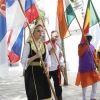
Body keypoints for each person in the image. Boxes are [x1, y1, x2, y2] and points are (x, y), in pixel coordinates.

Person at [21, 24, 52, 100]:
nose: (40, 33)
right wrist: (35, 56)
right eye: (38, 31)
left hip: (42, 73)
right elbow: (23, 61)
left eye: (42, 31)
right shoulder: (28, 45)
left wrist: (47, 68)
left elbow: (48, 59)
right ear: (32, 32)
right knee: (35, 95)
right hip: (32, 75)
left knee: (46, 94)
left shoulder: (44, 45)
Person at [75, 33, 100, 100]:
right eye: (87, 37)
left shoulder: (92, 46)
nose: (89, 39)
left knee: (95, 81)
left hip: (91, 67)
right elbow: (80, 54)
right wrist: (86, 45)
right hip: (84, 68)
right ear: (85, 38)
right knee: (84, 83)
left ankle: (93, 97)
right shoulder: (80, 45)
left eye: (90, 37)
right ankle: (84, 98)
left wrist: (96, 63)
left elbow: (94, 56)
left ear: (91, 39)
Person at [45, 30, 65, 100]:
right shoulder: (45, 45)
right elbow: (42, 56)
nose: (56, 38)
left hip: (56, 68)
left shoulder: (57, 45)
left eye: (57, 37)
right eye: (55, 36)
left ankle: (59, 98)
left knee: (58, 87)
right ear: (51, 35)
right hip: (48, 69)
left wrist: (62, 65)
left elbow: (60, 56)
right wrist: (50, 52)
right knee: (46, 86)